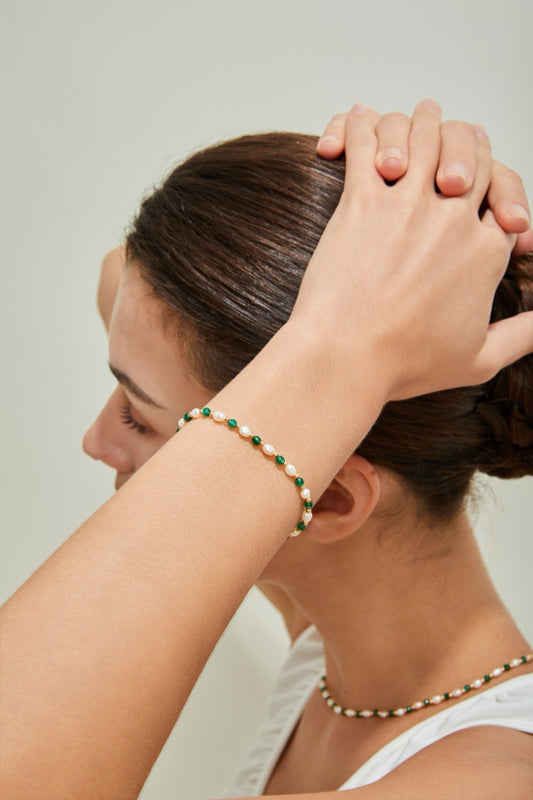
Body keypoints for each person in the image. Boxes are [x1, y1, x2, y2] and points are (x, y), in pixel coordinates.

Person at [1, 101, 532, 800]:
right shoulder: (330, 623)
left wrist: (336, 353)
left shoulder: (481, 784)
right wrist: (421, 209)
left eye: (137, 417)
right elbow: (128, 282)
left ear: (331, 499)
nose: (95, 440)